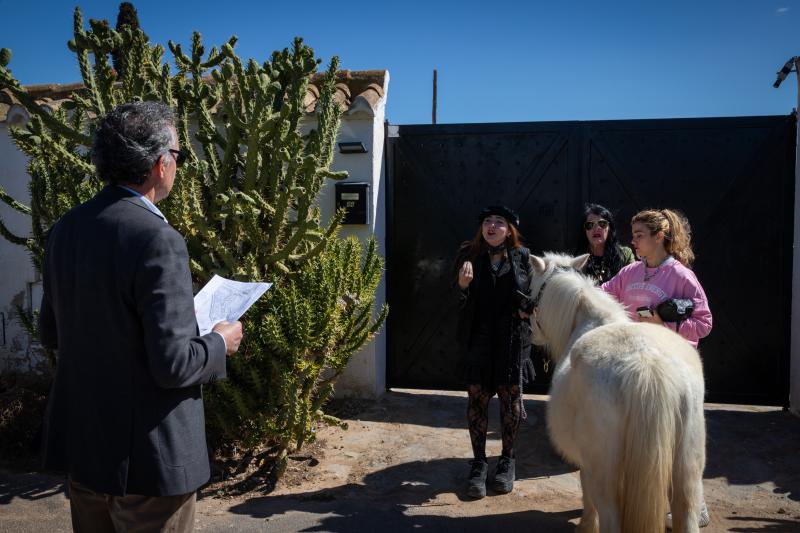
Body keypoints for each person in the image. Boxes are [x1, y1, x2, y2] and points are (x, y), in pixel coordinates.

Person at [38, 101, 243, 533]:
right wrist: (219, 341)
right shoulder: (156, 238)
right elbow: (173, 366)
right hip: (149, 462)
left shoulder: (65, 229)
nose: (177, 166)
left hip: (87, 450)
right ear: (158, 164)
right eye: (178, 156)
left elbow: (52, 333)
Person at [601, 208, 712, 528]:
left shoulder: (680, 276)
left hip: (674, 370)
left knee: (680, 444)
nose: (632, 241)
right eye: (633, 234)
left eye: (638, 235)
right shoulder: (630, 273)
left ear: (658, 237)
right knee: (646, 442)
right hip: (639, 368)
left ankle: (696, 507)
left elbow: (704, 323)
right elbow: (603, 295)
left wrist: (665, 322)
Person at [454, 205, 534, 499]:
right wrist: (463, 285)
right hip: (479, 338)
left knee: (510, 403)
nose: (492, 226)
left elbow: (534, 294)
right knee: (478, 399)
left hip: (512, 339)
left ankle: (507, 461)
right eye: (487, 221)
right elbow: (456, 296)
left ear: (509, 229)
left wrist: (528, 310)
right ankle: (478, 464)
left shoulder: (523, 257)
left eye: (499, 222)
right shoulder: (468, 253)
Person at [578, 203, 634, 284]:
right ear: (584, 230)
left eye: (602, 224)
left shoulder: (625, 254)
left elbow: (633, 283)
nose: (596, 228)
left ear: (609, 228)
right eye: (590, 225)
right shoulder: (576, 259)